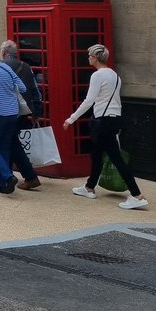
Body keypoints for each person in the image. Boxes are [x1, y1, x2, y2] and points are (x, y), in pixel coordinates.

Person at [64, 43, 148, 210]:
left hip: (103, 121)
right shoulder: (114, 75)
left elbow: (89, 101)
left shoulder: (97, 76)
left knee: (116, 158)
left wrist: (71, 119)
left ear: (95, 58)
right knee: (96, 154)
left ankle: (136, 195)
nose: (88, 58)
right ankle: (89, 187)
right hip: (114, 118)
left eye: (89, 56)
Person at [0, 41, 39, 193]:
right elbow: (23, 87)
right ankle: (1, 184)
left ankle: (7, 176)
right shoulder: (4, 66)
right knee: (4, 146)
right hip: (12, 113)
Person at [0, 40, 42, 120]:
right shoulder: (26, 66)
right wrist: (37, 113)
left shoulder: (0, 67)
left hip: (5, 110)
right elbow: (36, 91)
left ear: (3, 52)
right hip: (24, 109)